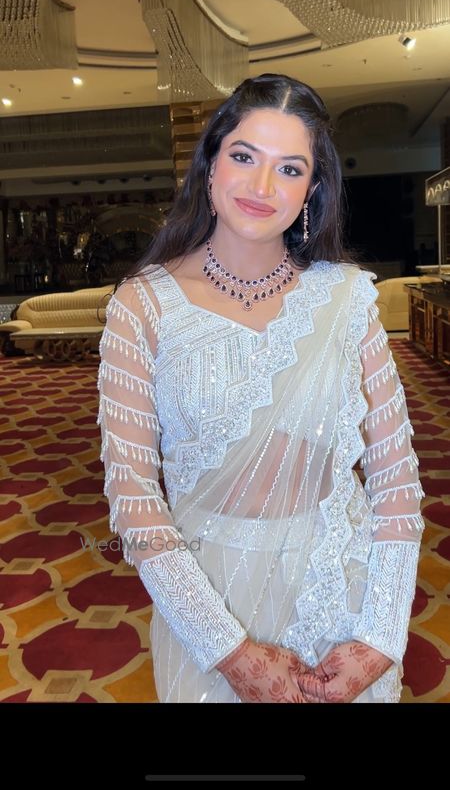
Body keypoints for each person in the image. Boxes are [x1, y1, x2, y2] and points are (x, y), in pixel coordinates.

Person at [97, 73, 424, 703]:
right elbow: (133, 497)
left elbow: (396, 478)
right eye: (244, 156)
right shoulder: (142, 307)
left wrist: (382, 635)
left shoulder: (347, 299)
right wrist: (231, 652)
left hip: (341, 586)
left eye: (290, 168)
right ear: (210, 166)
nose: (262, 186)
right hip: (209, 604)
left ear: (312, 190)